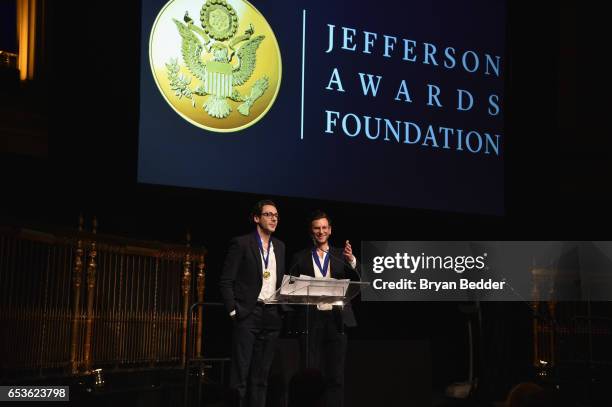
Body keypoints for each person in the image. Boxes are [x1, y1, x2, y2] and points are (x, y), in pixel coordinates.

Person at [219, 200, 286, 407]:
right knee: (240, 378)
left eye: (276, 215)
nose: (274, 218)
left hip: (272, 315)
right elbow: (225, 281)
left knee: (261, 379)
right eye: (268, 214)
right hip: (248, 315)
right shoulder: (241, 243)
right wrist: (233, 312)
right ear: (256, 218)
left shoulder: (280, 246)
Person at [289, 210, 358, 407]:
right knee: (310, 375)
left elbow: (362, 277)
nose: (321, 231)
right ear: (311, 231)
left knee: (336, 375)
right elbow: (290, 286)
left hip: (337, 319)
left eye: (324, 228)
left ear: (330, 230)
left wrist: (352, 260)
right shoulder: (300, 257)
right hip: (311, 319)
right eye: (317, 228)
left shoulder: (341, 255)